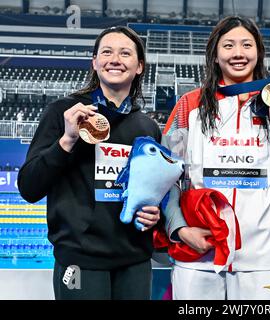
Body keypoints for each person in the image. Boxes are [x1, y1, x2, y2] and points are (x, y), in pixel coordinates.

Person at [161, 16, 270, 300]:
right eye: (228, 45)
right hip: (199, 254)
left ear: (258, 53)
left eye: (246, 45)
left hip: (258, 257)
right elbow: (164, 178)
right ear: (215, 55)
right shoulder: (189, 105)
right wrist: (180, 229)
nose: (238, 53)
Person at [18, 26, 163, 300]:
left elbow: (152, 193)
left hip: (134, 261)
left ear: (140, 66)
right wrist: (67, 140)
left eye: (125, 53)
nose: (115, 59)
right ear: (94, 62)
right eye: (106, 52)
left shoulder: (147, 127)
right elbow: (29, 187)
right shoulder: (64, 113)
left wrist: (155, 213)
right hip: (81, 260)